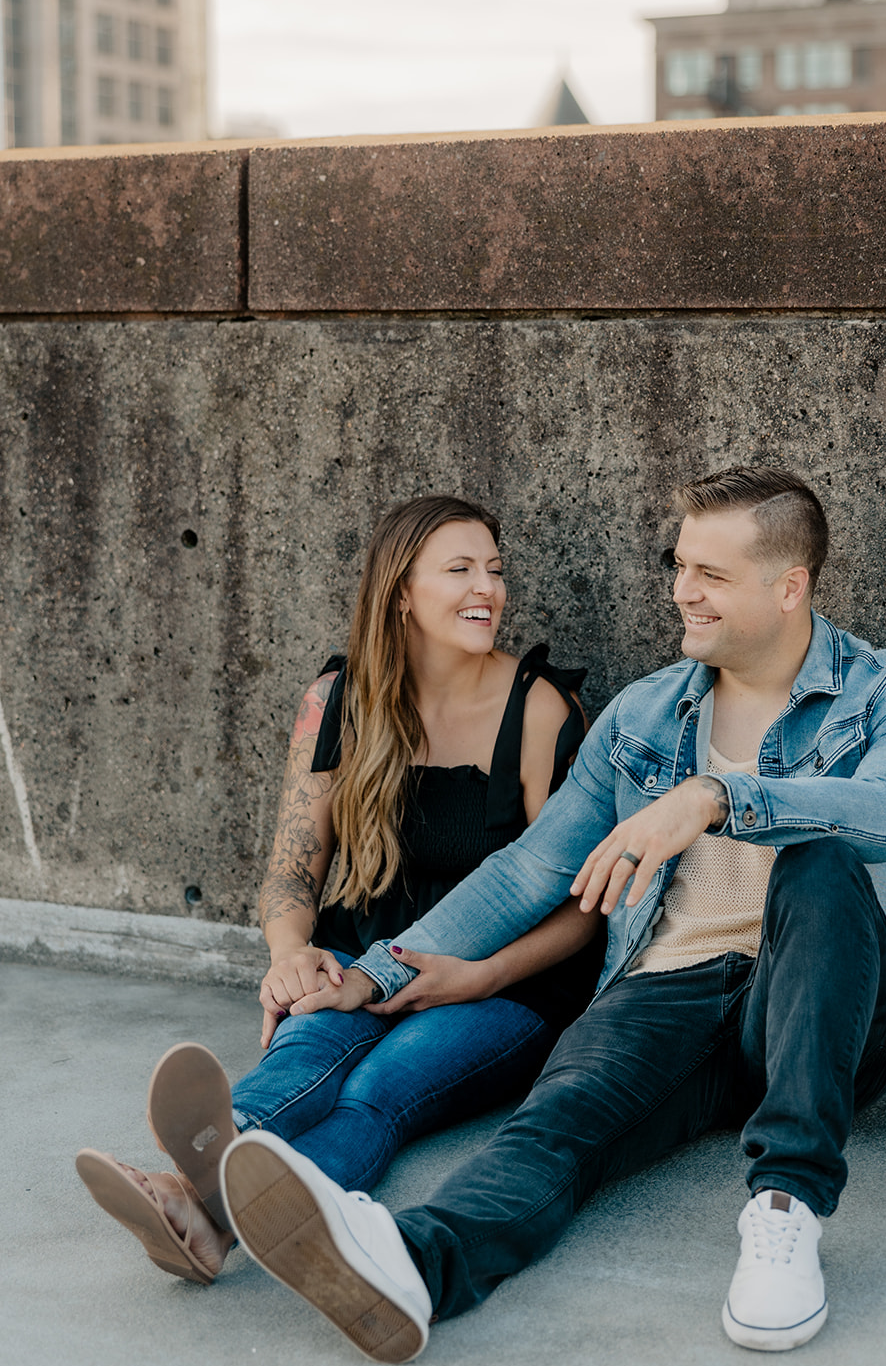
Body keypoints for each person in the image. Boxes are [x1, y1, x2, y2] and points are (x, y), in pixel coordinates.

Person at [217, 465, 886, 1363]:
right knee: (559, 1120)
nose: (682, 591)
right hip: (673, 992)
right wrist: (378, 971)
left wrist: (714, 797)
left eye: (710, 575)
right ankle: (418, 1265)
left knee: (824, 860)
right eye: (678, 565)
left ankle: (785, 1211)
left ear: (788, 586)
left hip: (829, 1011)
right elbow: (527, 869)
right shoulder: (645, 712)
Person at [76, 494, 602, 1285]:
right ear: (400, 591)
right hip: (361, 950)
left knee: (379, 1091)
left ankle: (195, 1205)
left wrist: (479, 975)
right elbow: (293, 866)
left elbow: (583, 906)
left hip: (503, 982)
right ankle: (213, 1190)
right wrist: (290, 954)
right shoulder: (338, 700)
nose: (486, 589)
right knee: (310, 1046)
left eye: (493, 570)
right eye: (458, 570)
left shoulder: (537, 710)